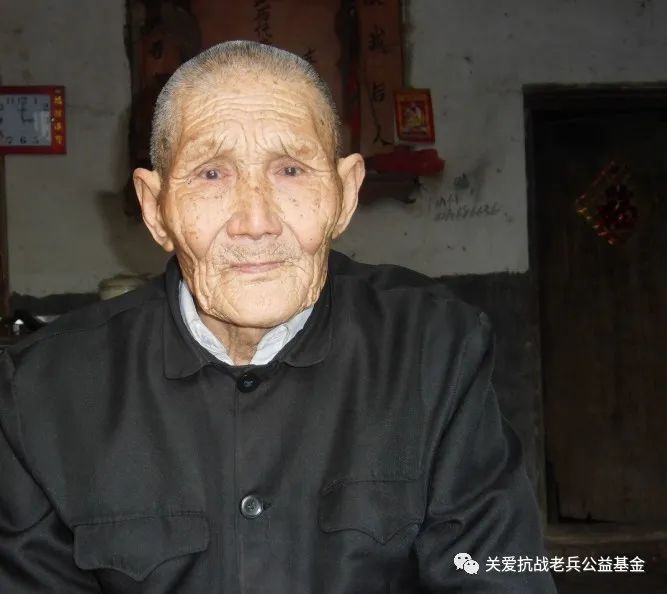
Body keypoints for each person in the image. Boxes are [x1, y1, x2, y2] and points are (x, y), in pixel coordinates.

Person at [0, 41, 557, 593]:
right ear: (155, 209)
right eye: (211, 174)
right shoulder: (40, 394)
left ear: (344, 194)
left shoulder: (435, 350)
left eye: (290, 170)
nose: (256, 221)